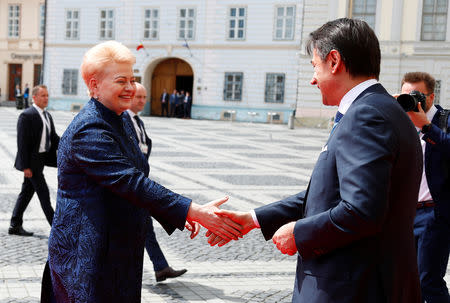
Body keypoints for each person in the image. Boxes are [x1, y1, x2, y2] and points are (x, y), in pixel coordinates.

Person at [209, 18, 423, 302]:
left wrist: (299, 232)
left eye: (314, 66)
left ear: (334, 61)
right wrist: (254, 219)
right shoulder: (383, 109)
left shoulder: (366, 115)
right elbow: (329, 192)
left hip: (351, 287)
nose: (312, 79)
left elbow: (361, 210)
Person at [45, 41, 242, 302]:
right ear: (94, 85)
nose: (130, 87)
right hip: (87, 257)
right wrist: (191, 211)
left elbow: (135, 180)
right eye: (120, 81)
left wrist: (178, 213)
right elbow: (130, 182)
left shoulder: (120, 119)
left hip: (118, 250)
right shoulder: (89, 128)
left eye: (132, 79)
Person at [124, 83, 188, 282]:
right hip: (130, 185)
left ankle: (160, 267)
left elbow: (143, 147)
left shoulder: (137, 121)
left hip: (139, 183)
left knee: (145, 226)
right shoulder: (124, 120)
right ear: (129, 97)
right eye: (138, 97)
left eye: (144, 97)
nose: (142, 101)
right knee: (136, 227)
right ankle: (156, 267)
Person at [400, 72, 450, 303]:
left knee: (427, 280)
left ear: (430, 97)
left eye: (416, 95)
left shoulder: (445, 120)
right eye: (406, 94)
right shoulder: (399, 122)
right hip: (403, 214)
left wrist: (427, 127)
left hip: (433, 214)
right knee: (402, 279)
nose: (411, 100)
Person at [9, 85, 59, 236]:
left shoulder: (47, 115)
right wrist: (26, 167)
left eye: (47, 95)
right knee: (44, 194)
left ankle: (15, 224)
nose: (46, 98)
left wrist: (70, 144)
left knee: (26, 193)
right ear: (35, 98)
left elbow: (54, 138)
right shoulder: (27, 115)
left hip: (41, 160)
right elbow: (22, 143)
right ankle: (57, 229)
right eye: (43, 95)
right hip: (31, 163)